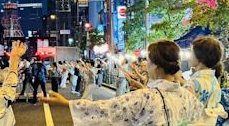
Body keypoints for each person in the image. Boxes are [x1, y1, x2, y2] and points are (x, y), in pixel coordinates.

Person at [41, 40, 205, 125]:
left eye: (147, 62)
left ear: (155, 66)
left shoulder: (144, 97)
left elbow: (106, 109)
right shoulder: (189, 97)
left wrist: (66, 104)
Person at [176, 36, 228, 125]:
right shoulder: (214, 81)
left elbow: (180, 110)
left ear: (200, 57)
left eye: (191, 53)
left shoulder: (193, 83)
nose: (189, 57)